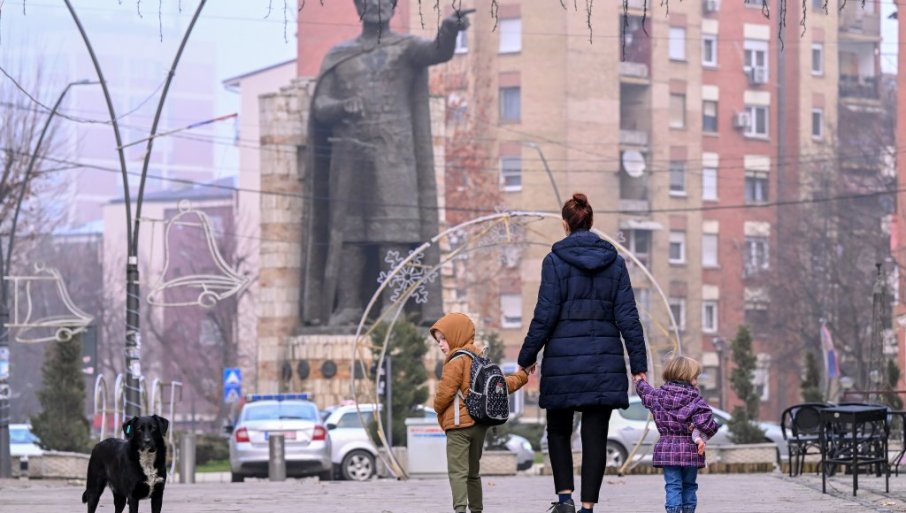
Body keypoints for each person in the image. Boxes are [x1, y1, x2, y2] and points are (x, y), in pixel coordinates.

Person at [301, 0, 470, 326]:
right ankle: (349, 305)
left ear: (393, 7)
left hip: (396, 157)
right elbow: (320, 106)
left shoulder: (406, 48)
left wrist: (449, 29)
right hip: (350, 159)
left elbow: (438, 51)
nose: (376, 5)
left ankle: (395, 303)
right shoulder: (340, 55)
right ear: (358, 7)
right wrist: (341, 107)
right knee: (350, 233)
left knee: (395, 230)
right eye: (368, 0)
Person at [517, 193, 648, 513]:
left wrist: (527, 357)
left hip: (562, 362)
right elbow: (628, 317)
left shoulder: (554, 261)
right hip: (604, 362)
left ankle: (565, 500)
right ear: (591, 222)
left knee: (558, 429)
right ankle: (588, 507)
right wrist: (638, 365)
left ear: (565, 224)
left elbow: (545, 314)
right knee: (595, 437)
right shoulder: (615, 263)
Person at [432, 312, 534, 513]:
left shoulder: (456, 361)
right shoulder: (481, 360)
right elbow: (503, 385)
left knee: (457, 472)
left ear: (456, 334)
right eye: (438, 341)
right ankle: (476, 510)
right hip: (479, 424)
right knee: (473, 473)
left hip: (458, 426)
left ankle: (460, 510)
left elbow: (444, 394)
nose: (441, 344)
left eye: (443, 339)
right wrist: (523, 375)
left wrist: (436, 408)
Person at [634, 356, 719, 513]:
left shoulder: (657, 396)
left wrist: (639, 380)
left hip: (667, 449)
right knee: (689, 485)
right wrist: (710, 428)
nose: (697, 380)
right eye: (695, 376)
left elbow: (645, 391)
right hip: (690, 450)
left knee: (672, 485)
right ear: (687, 376)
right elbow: (706, 424)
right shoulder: (695, 399)